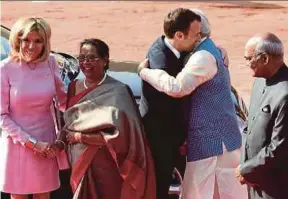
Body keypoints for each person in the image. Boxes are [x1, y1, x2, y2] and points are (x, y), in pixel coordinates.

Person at [138, 8, 247, 199]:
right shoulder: (210, 50)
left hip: (212, 142)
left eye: (197, 34)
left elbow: (178, 87)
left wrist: (144, 72)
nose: (196, 38)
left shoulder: (203, 56)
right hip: (217, 140)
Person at [52, 38, 155, 199]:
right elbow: (70, 123)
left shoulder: (118, 91)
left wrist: (80, 137)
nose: (86, 62)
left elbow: (123, 138)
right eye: (82, 58)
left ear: (105, 59)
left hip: (106, 162)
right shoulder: (73, 86)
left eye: (92, 58)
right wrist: (61, 141)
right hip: (78, 158)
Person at [0, 17, 66, 199]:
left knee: (44, 195)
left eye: (38, 41)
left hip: (47, 144)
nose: (31, 46)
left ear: (45, 43)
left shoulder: (51, 62)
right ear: (17, 40)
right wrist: (32, 143)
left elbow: (63, 101)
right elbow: (1, 116)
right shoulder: (4, 68)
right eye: (26, 40)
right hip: (18, 144)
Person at [139, 8, 201, 199]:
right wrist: (182, 138)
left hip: (173, 134)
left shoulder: (178, 49)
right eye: (196, 34)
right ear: (179, 35)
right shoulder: (161, 59)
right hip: (161, 137)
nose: (199, 39)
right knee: (160, 185)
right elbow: (174, 94)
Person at [235, 33, 288, 199]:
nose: (247, 64)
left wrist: (247, 170)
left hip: (276, 187)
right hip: (255, 181)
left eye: (249, 58)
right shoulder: (259, 82)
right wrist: (247, 169)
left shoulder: (285, 94)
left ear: (264, 59)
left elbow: (279, 147)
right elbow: (250, 128)